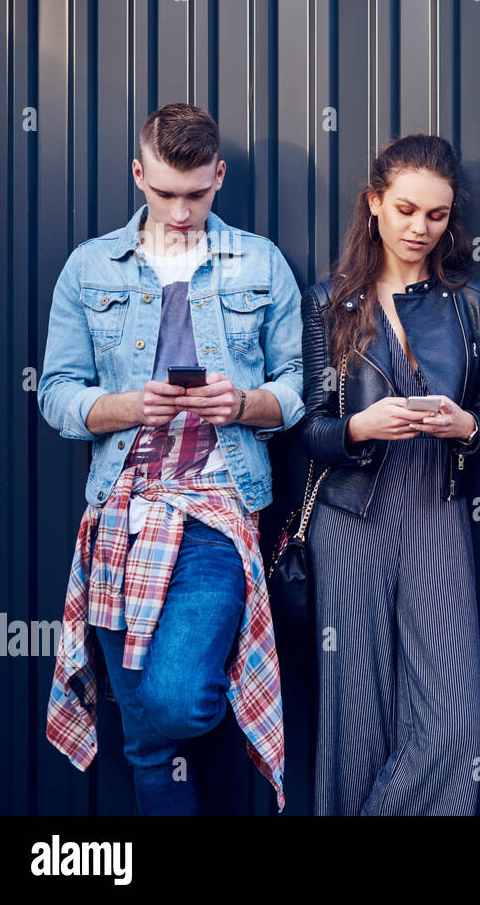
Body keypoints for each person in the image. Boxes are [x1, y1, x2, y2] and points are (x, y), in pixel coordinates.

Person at [39, 103, 304, 813]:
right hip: (118, 517)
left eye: (196, 193)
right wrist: (131, 406)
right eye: (164, 193)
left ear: (219, 176)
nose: (181, 213)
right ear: (138, 174)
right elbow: (56, 394)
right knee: (147, 748)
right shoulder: (91, 266)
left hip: (215, 516)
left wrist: (241, 404)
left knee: (178, 703)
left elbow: (296, 392)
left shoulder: (260, 262)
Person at [300, 134, 480, 815]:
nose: (420, 228)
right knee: (353, 711)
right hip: (351, 516)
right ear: (374, 203)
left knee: (452, 713)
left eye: (437, 215)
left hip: (435, 508)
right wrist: (360, 426)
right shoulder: (328, 302)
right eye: (406, 210)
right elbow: (310, 432)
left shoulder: (477, 302)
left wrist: (466, 426)